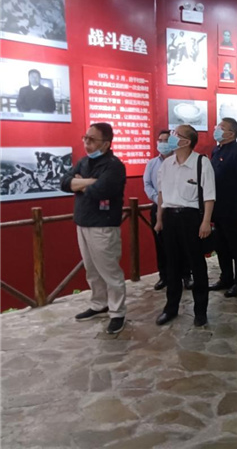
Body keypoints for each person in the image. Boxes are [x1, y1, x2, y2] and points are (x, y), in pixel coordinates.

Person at [60, 122, 127, 334]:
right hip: (83, 222)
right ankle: (99, 304)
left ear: (106, 143)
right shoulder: (84, 161)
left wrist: (81, 184)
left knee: (109, 271)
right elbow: (64, 182)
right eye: (85, 138)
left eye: (92, 139)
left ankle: (117, 312)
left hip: (103, 225)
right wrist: (90, 182)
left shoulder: (114, 166)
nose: (86, 143)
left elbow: (101, 191)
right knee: (91, 269)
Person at [154, 125, 214, 327]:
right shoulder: (166, 164)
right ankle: (170, 308)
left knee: (197, 265)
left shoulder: (201, 163)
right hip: (170, 218)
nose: (170, 137)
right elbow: (161, 194)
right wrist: (159, 219)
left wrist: (206, 222)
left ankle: (200, 311)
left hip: (191, 218)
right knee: (172, 265)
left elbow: (209, 196)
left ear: (186, 142)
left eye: (175, 134)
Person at [143, 130, 193, 292]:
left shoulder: (180, 161)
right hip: (158, 207)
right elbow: (147, 184)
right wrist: (159, 199)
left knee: (182, 243)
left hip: (177, 208)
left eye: (166, 140)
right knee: (161, 243)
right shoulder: (152, 164)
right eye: (160, 140)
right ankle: (164, 276)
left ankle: (186, 275)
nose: (163, 143)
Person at [209, 118, 237, 297]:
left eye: (221, 127)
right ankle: (226, 277)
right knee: (221, 245)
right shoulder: (216, 150)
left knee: (236, 246)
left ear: (231, 133)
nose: (217, 129)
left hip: (232, 207)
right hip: (217, 206)